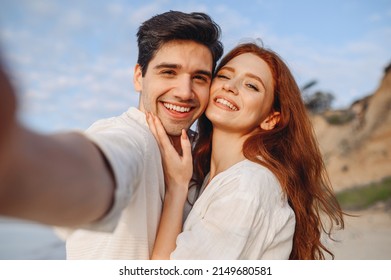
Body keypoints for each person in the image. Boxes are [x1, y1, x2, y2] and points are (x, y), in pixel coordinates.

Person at [0, 11, 223, 259]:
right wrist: (16, 163)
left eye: (200, 78)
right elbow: (99, 165)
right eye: (168, 72)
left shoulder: (202, 153)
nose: (184, 92)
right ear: (139, 77)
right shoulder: (130, 137)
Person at [147, 42, 345, 260]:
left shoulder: (247, 186)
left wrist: (177, 187)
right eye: (223, 76)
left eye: (251, 85)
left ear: (271, 118)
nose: (230, 86)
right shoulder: (210, 177)